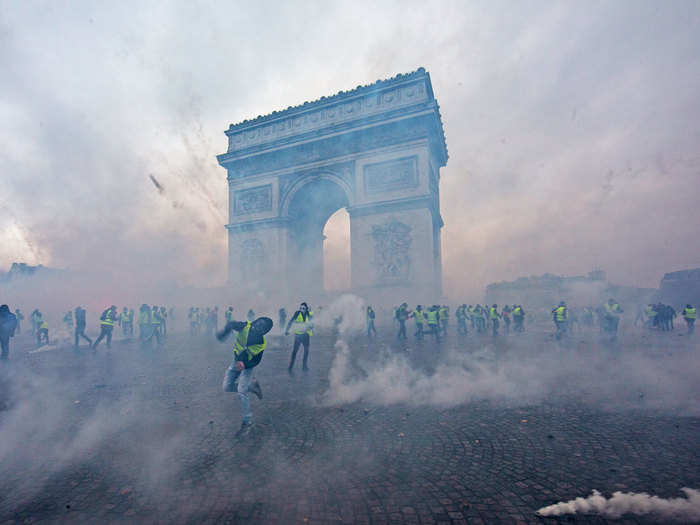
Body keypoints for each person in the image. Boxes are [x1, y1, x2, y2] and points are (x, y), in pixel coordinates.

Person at [217, 316, 270, 438]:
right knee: (226, 387)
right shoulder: (245, 326)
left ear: (264, 331)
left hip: (247, 367)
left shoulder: (261, 342)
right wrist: (224, 333)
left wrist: (245, 364)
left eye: (262, 327)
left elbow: (257, 360)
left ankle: (247, 422)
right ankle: (252, 387)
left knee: (241, 391)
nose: (258, 328)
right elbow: (231, 324)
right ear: (255, 322)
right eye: (258, 324)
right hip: (235, 362)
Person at [285, 302, 313, 373]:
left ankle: (304, 366)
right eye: (300, 308)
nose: (301, 309)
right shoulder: (297, 313)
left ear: (306, 309)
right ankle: (290, 367)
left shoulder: (308, 314)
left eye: (303, 308)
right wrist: (287, 330)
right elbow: (291, 321)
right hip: (298, 336)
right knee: (294, 352)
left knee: (306, 351)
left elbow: (312, 324)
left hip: (306, 336)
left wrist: (310, 327)